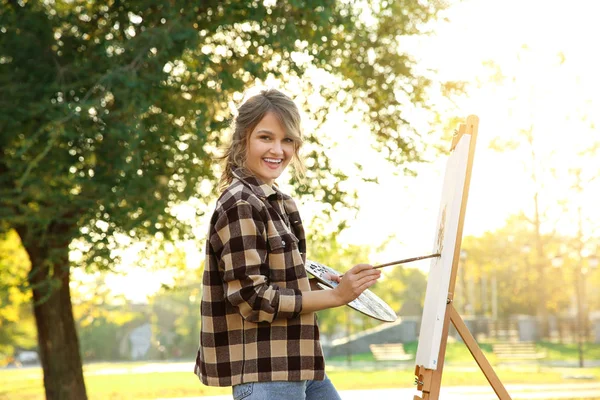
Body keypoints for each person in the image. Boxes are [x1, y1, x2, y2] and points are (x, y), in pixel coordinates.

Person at [194, 88, 381, 400]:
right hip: (265, 374)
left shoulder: (282, 203)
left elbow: (282, 286)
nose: (278, 150)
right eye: (266, 137)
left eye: (287, 140)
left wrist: (328, 286)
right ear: (243, 139)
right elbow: (253, 298)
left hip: (300, 364)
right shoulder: (239, 202)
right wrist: (336, 296)